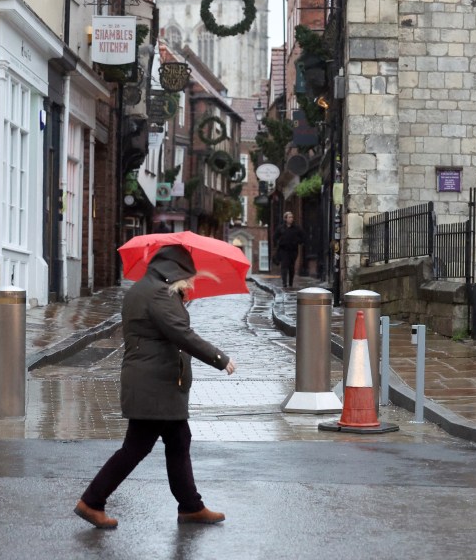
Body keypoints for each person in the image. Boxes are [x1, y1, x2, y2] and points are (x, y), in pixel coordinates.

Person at [74, 245, 237, 529]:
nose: (191, 283)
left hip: (156, 384)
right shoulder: (159, 294)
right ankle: (92, 501)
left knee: (178, 441)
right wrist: (219, 358)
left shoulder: (145, 289)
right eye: (189, 277)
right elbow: (181, 334)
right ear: (176, 272)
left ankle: (191, 506)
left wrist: (178, 303)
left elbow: (161, 328)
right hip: (155, 386)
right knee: (136, 448)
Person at [274, 211, 305, 288]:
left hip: (293, 250)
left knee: (291, 267)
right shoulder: (281, 228)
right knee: (284, 266)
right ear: (285, 218)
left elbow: (303, 237)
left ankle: (290, 282)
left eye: (292, 217)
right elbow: (275, 237)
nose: (291, 219)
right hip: (283, 249)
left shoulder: (297, 228)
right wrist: (279, 242)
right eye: (289, 217)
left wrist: (297, 241)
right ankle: (284, 283)